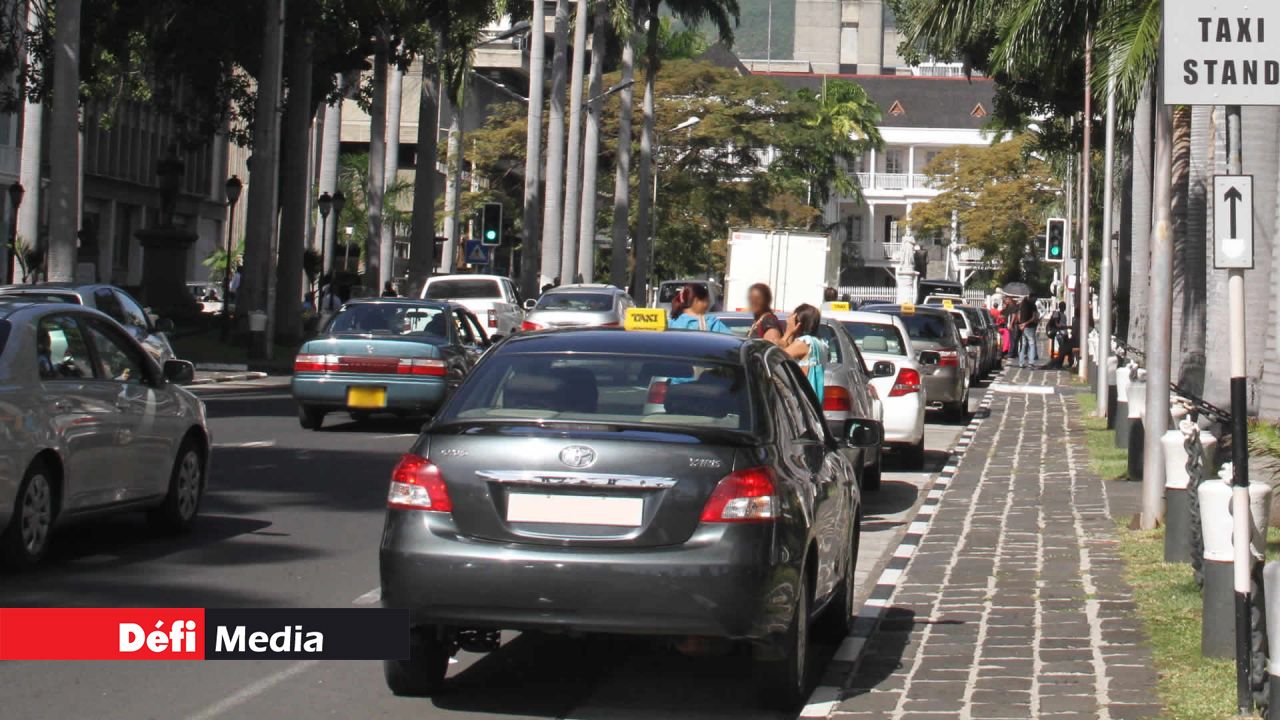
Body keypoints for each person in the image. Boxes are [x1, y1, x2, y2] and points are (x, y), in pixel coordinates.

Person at [781, 304, 829, 403]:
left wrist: (788, 332)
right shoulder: (821, 343)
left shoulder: (804, 342)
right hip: (813, 399)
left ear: (798, 324)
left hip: (802, 399)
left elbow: (777, 357)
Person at [669, 283, 733, 334]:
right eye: (707, 300)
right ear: (697, 301)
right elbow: (731, 341)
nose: (708, 304)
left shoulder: (670, 323)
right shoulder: (711, 323)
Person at [1017, 295, 1040, 368]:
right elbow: (1034, 317)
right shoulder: (1033, 306)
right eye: (1035, 299)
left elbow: (1018, 315)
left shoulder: (1021, 305)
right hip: (1030, 327)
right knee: (1031, 344)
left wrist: (1021, 324)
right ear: (1031, 298)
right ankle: (1031, 362)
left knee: (1023, 344)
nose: (1035, 300)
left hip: (1022, 327)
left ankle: (1021, 362)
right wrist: (1025, 323)